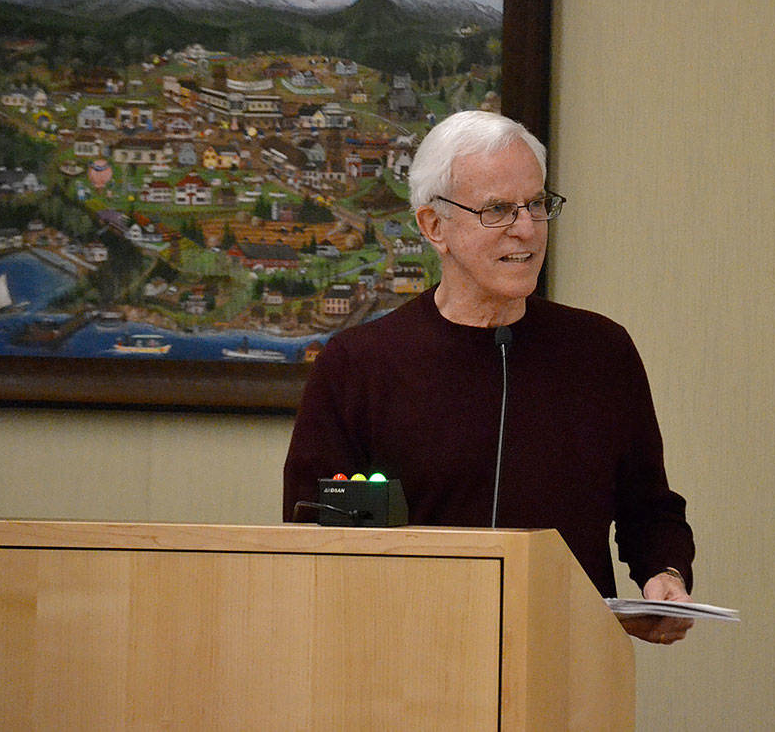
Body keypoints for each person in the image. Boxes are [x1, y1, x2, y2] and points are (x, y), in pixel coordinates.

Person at [284, 110, 695, 643]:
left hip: (566, 667)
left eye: (537, 205)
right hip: (404, 670)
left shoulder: (601, 352)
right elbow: (308, 537)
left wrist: (665, 574)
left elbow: (650, 510)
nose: (526, 228)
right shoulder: (357, 365)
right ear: (434, 227)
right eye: (498, 210)